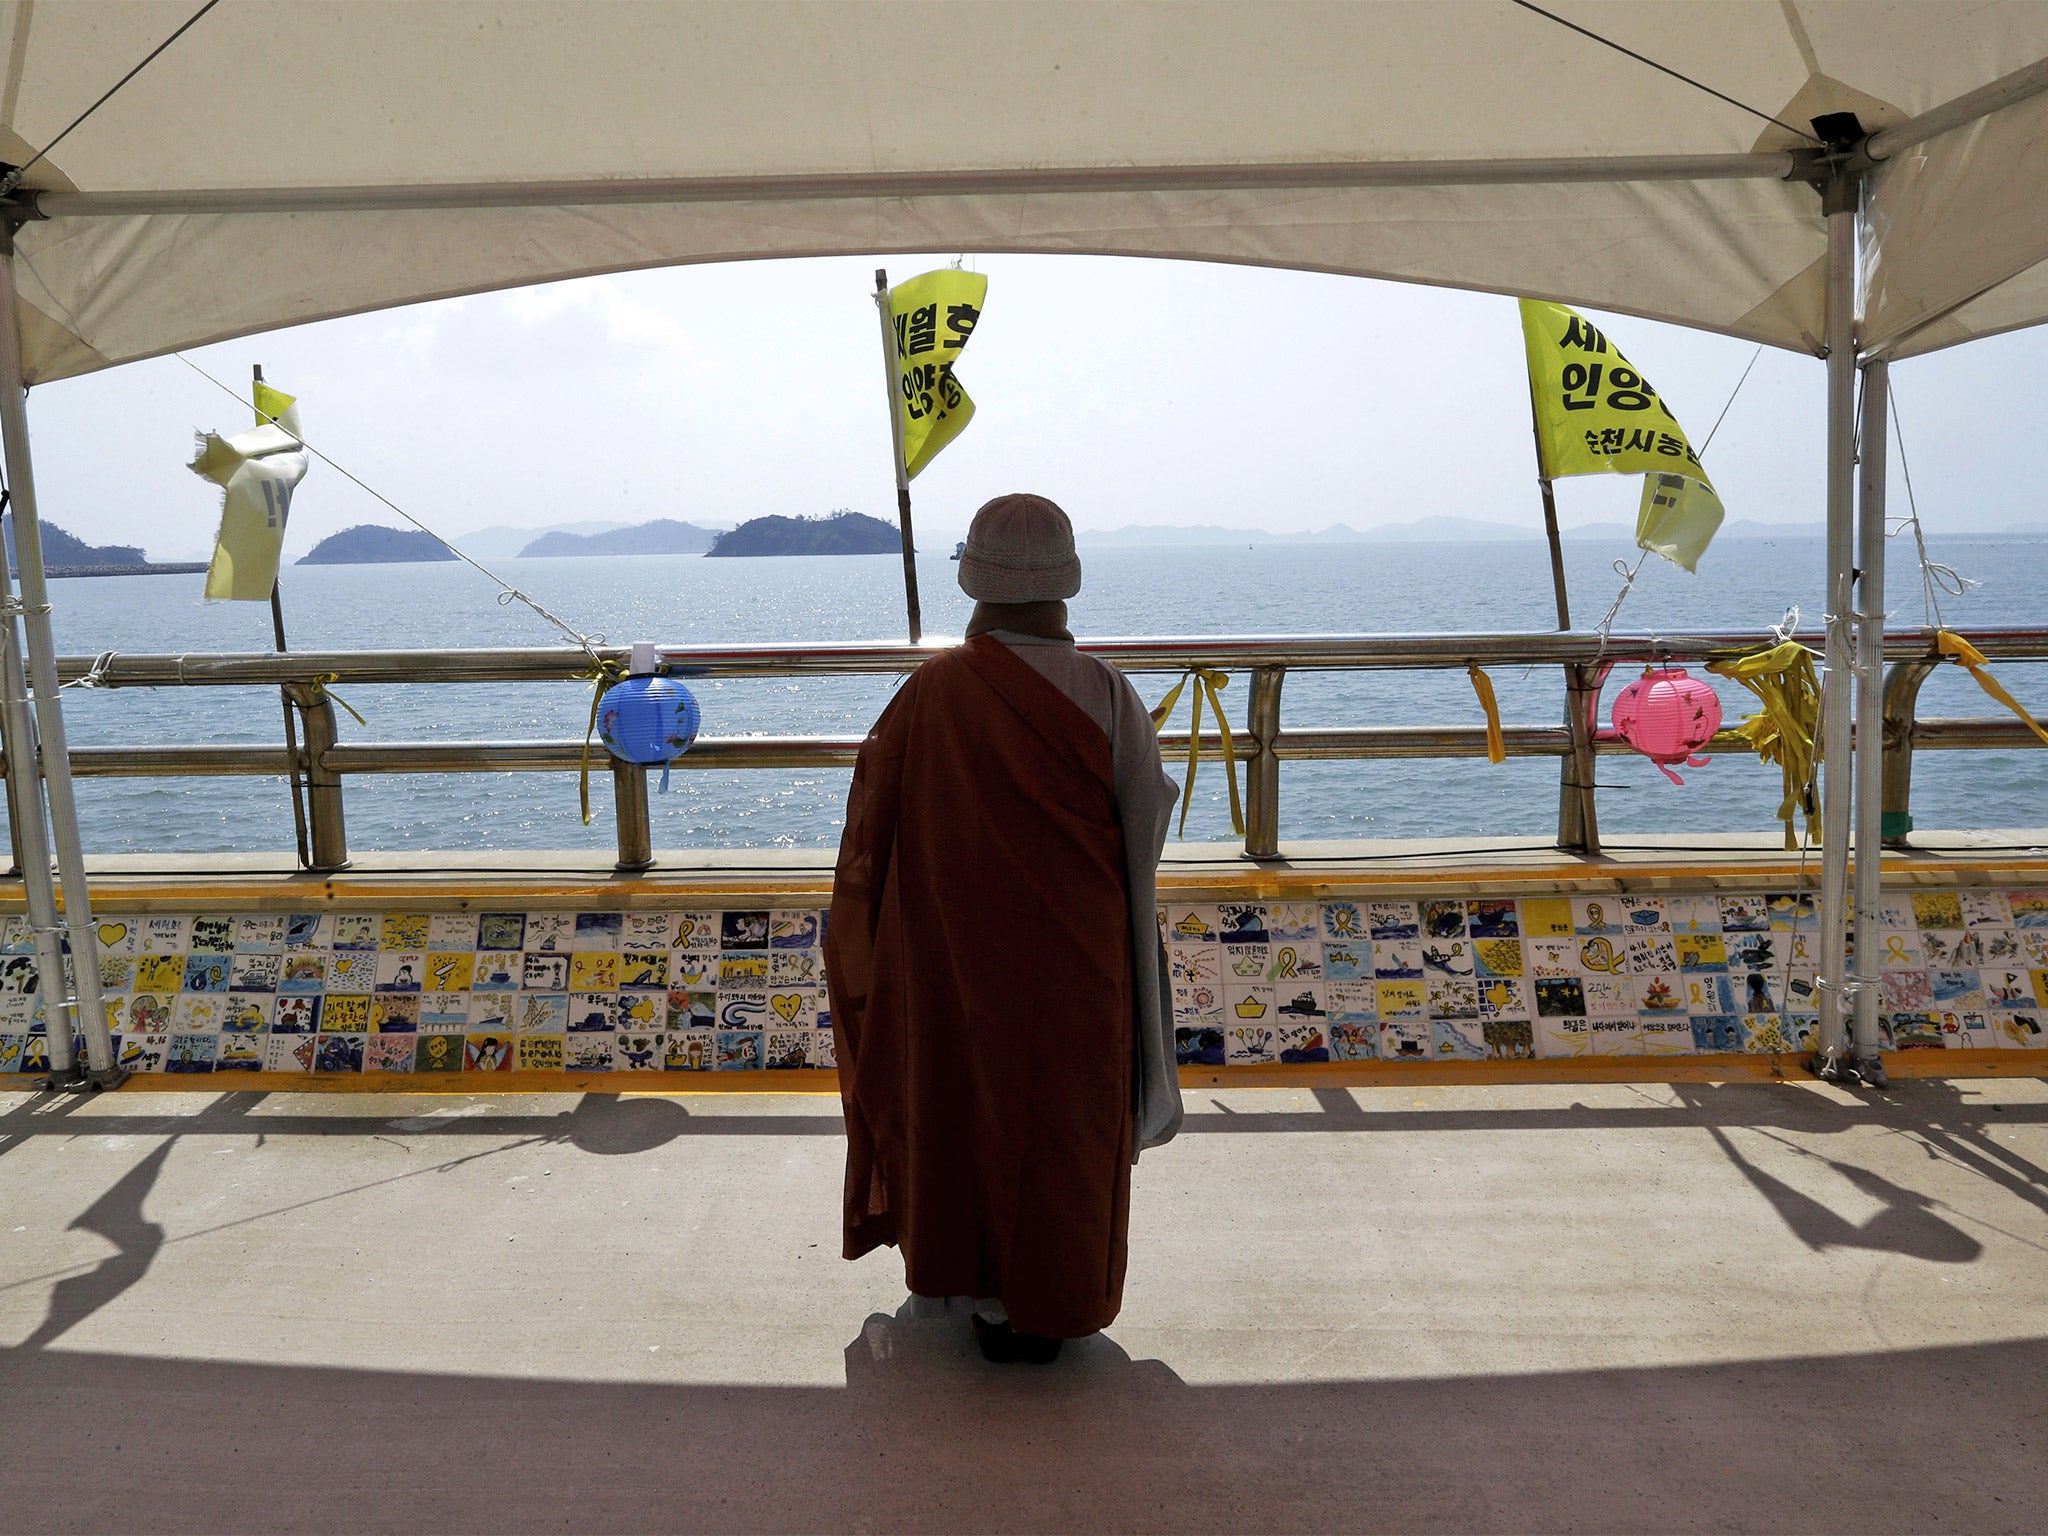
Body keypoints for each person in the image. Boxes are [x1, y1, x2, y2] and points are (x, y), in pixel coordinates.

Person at [826, 492, 1182, 1365]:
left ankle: (977, 1292)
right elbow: (1145, 825)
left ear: (972, 582)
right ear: (1067, 587)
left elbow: (876, 822)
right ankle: (1052, 1299)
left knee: (963, 1103)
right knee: (1065, 1121)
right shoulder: (1104, 691)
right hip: (1079, 954)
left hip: (956, 953)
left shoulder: (932, 692)